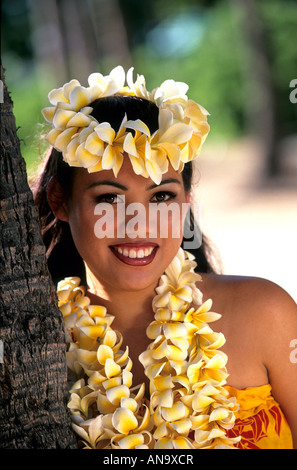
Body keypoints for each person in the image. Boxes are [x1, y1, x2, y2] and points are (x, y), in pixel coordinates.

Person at [32, 65, 297, 449]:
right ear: (60, 200)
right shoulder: (34, 345)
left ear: (186, 202)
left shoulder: (267, 314)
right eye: (109, 198)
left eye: (161, 197)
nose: (138, 226)